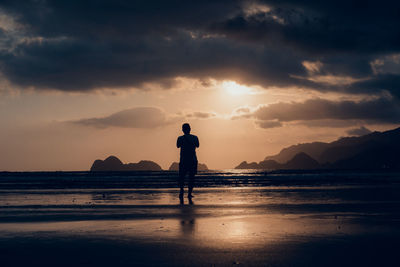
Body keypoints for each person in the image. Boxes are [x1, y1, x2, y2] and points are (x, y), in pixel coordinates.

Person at [177, 123, 199, 199]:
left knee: (182, 177)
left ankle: (181, 191)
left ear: (183, 130)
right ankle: (189, 193)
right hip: (193, 160)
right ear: (190, 129)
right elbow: (198, 145)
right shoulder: (195, 137)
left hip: (183, 160)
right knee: (191, 177)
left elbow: (178, 146)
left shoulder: (180, 138)